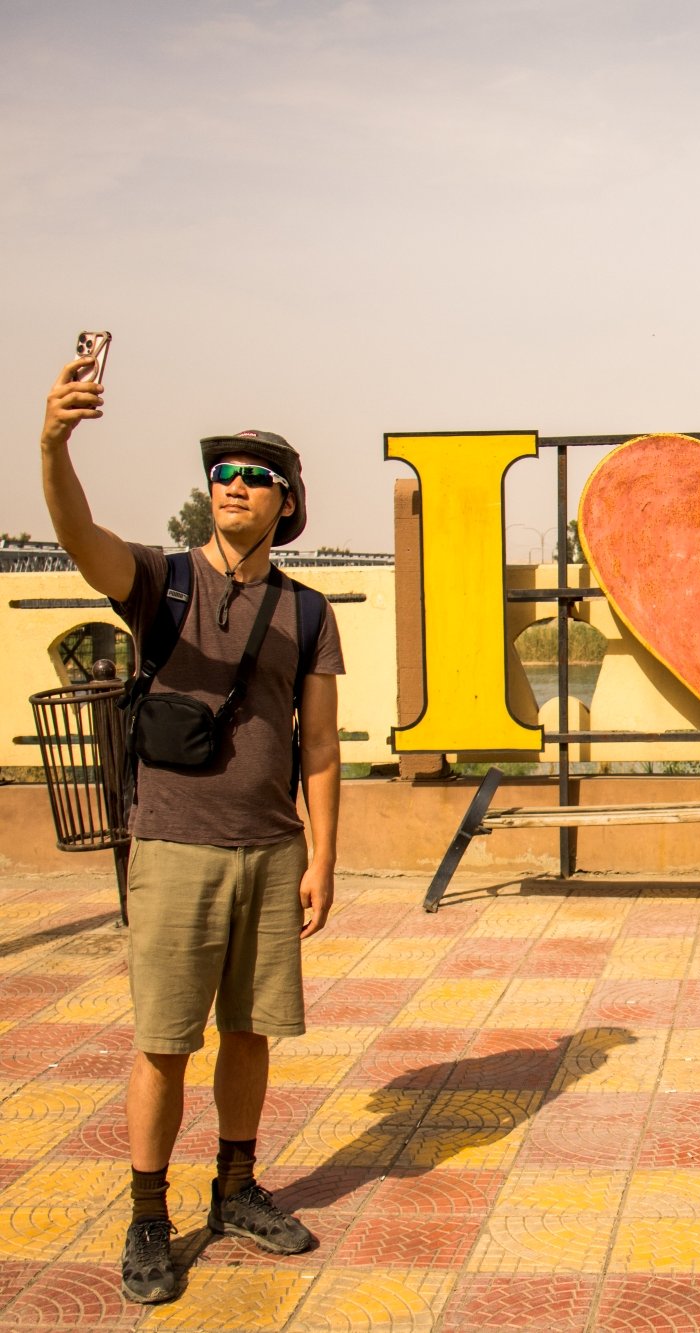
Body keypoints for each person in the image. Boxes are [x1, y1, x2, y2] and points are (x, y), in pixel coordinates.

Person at [40, 355, 344, 1304]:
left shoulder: (307, 610)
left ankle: (236, 1187)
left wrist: (323, 857)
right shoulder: (159, 581)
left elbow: (320, 744)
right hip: (173, 846)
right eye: (221, 472)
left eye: (254, 475)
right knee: (165, 1040)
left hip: (270, 848)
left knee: (250, 1032)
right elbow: (77, 533)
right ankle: (147, 1216)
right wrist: (53, 444)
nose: (233, 485)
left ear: (286, 501)